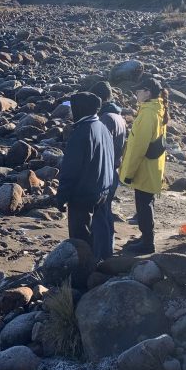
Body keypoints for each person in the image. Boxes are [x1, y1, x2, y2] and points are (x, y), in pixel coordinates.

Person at [56, 92, 116, 260]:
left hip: (83, 194)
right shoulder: (103, 127)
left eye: (72, 108)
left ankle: (84, 272)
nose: (70, 113)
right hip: (102, 189)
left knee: (80, 236)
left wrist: (62, 197)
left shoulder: (82, 131)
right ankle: (102, 261)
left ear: (79, 109)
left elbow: (71, 169)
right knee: (99, 230)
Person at [119, 80, 169, 254]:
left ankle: (148, 242)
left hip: (144, 167)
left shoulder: (148, 113)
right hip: (152, 166)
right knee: (147, 202)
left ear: (147, 92)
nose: (136, 94)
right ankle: (146, 237)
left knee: (144, 204)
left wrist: (128, 173)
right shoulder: (157, 108)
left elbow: (138, 147)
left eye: (138, 91)